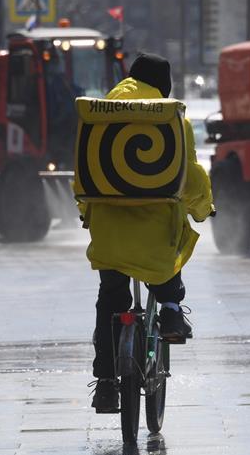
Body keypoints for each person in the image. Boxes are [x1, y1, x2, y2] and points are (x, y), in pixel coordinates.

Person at [77, 53, 214, 414]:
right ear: (162, 84)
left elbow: (84, 173)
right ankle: (170, 309)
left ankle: (106, 384)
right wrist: (202, 208)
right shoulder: (170, 116)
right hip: (156, 228)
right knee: (173, 243)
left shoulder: (98, 113)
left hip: (109, 229)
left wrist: (86, 213)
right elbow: (190, 176)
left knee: (111, 298)